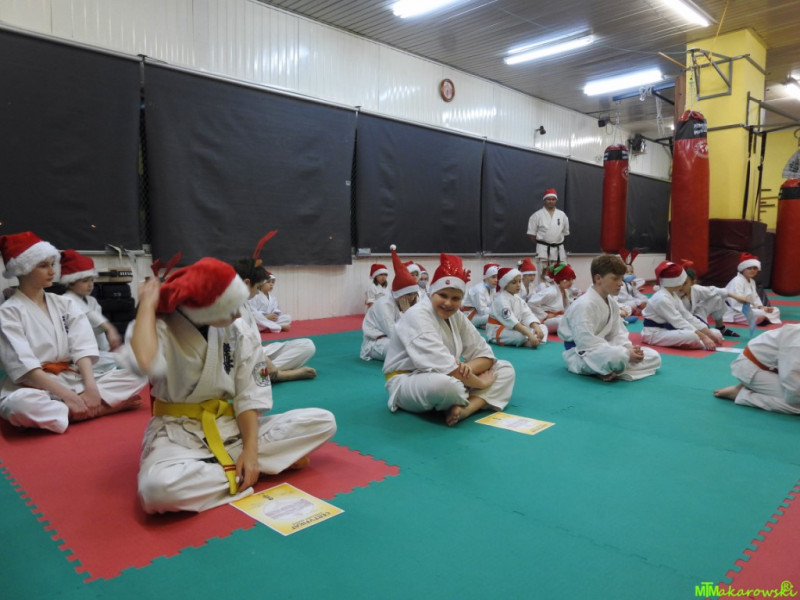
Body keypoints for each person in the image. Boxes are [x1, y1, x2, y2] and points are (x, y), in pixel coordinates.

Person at [120, 257, 336, 513]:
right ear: (206, 308)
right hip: (177, 434)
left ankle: (239, 466)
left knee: (323, 421)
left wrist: (251, 451)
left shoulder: (238, 329)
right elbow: (144, 362)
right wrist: (147, 304)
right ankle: (251, 469)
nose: (238, 314)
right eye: (230, 308)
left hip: (230, 428)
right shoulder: (160, 326)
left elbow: (249, 395)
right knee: (157, 491)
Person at [0, 232, 146, 433]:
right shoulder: (8, 312)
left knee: (139, 372)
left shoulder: (64, 303)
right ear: (22, 270)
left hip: (73, 376)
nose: (52, 271)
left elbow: (83, 346)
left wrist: (91, 389)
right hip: (36, 385)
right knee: (18, 407)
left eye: (52, 264)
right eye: (43, 266)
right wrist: (68, 396)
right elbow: (25, 367)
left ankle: (69, 411)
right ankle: (100, 409)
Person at [383, 253, 515, 426]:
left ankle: (467, 408)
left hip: (451, 373)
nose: (448, 303)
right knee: (448, 387)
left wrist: (467, 369)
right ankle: (468, 396)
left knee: (505, 369)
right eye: (443, 295)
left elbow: (486, 355)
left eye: (455, 298)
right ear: (432, 293)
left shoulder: (456, 316)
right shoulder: (418, 315)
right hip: (409, 380)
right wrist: (480, 383)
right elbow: (448, 369)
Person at [558, 254, 661, 381]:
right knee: (617, 356)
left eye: (621, 278)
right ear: (598, 278)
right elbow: (586, 343)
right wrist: (625, 353)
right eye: (615, 278)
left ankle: (607, 369)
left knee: (653, 356)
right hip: (582, 354)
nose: (620, 283)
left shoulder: (611, 302)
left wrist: (628, 348)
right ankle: (605, 367)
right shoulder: (583, 305)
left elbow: (617, 333)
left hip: (605, 349)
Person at [233, 258, 316, 382]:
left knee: (307, 345)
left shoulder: (244, 300)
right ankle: (274, 375)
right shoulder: (232, 309)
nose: (257, 292)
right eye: (258, 287)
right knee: (245, 365)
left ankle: (266, 373)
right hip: (240, 360)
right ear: (246, 283)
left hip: (256, 352)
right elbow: (242, 349)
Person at [713, 324, 800, 414]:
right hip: (752, 368)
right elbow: (792, 379)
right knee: (796, 403)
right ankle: (743, 395)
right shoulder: (797, 340)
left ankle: (755, 388)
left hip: (774, 369)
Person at [641, 260, 722, 351]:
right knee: (692, 336)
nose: (684, 284)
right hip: (654, 333)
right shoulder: (661, 299)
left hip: (670, 330)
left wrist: (709, 334)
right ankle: (695, 342)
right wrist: (704, 337)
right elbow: (679, 322)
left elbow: (687, 316)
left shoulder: (673, 294)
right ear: (676, 282)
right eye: (683, 281)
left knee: (716, 333)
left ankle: (692, 342)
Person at [360, 247, 419, 361]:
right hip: (376, 343)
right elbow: (394, 334)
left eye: (414, 294)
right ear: (400, 294)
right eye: (409, 294)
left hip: (393, 339)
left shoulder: (403, 301)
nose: (412, 298)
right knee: (406, 350)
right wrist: (407, 313)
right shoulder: (385, 305)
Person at [59, 249, 122, 352]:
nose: (90, 285)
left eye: (92, 280)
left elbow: (99, 330)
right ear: (70, 283)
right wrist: (110, 328)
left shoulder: (92, 301)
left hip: (95, 349)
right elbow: (90, 315)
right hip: (75, 350)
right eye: (85, 281)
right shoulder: (66, 299)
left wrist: (106, 349)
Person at [681, 262, 747, 338]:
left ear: (693, 282)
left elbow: (716, 290)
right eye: (679, 281)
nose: (680, 286)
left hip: (696, 317)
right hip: (681, 322)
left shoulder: (695, 289)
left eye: (684, 283)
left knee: (717, 297)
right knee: (715, 335)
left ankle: (720, 328)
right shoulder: (675, 294)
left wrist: (737, 297)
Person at [486, 267, 547, 348]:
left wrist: (537, 327)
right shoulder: (501, 300)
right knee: (519, 336)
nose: (518, 285)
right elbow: (512, 322)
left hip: (513, 328)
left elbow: (527, 314)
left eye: (519, 281)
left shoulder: (517, 298)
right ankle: (527, 341)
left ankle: (535, 339)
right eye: (514, 282)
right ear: (505, 284)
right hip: (498, 329)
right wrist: (529, 334)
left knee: (542, 328)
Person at [723, 253, 781, 326]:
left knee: (775, 310)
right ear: (743, 269)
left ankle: (763, 319)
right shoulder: (737, 281)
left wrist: (762, 307)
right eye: (749, 268)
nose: (752, 270)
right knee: (759, 313)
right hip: (733, 312)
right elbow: (736, 304)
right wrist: (757, 309)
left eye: (755, 268)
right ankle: (764, 319)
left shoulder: (752, 281)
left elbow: (755, 298)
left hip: (750, 309)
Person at [527, 188, 570, 271]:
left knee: (559, 275)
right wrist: (543, 243)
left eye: (553, 199)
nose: (551, 201)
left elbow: (565, 232)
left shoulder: (562, 215)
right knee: (543, 275)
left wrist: (554, 240)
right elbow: (531, 234)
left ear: (556, 200)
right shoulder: (536, 215)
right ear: (544, 200)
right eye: (548, 199)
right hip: (543, 250)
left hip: (558, 251)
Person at [528, 262, 576, 334]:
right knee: (563, 321)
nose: (571, 282)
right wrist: (545, 315)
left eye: (572, 279)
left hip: (558, 317)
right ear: (560, 279)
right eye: (568, 280)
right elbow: (531, 303)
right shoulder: (551, 291)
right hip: (545, 321)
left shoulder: (566, 291)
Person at [460, 263, 498, 328]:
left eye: (498, 277)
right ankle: (482, 325)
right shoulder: (479, 290)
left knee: (500, 316)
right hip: (470, 316)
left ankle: (483, 325)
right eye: (493, 277)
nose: (496, 280)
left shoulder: (492, 288)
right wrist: (497, 311)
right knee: (498, 317)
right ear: (486, 278)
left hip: (479, 315)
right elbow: (482, 311)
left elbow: (492, 305)